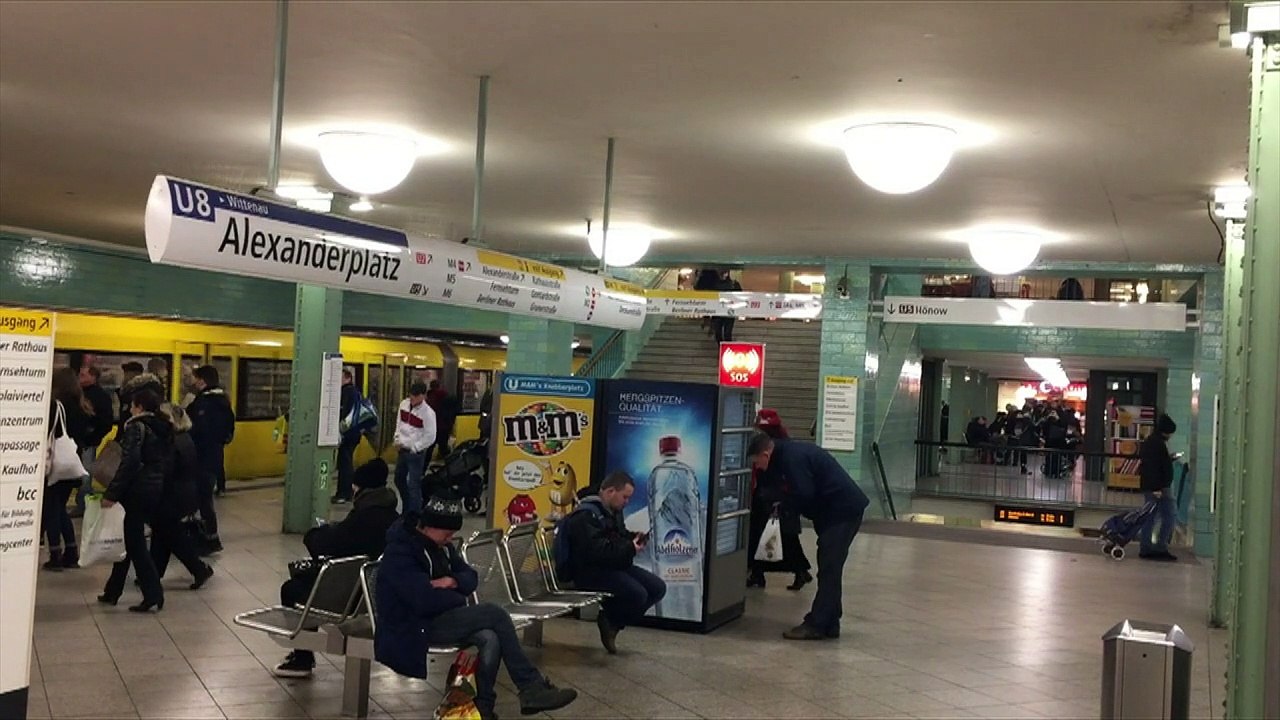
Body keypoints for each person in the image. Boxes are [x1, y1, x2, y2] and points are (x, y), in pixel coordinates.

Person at [375, 493, 579, 720]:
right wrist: (458, 596)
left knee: (490, 636)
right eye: (447, 533)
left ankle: (482, 707)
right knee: (494, 614)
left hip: (440, 617)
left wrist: (452, 582)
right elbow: (423, 600)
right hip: (412, 627)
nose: (450, 539)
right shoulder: (400, 553)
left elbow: (470, 577)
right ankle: (530, 686)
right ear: (428, 527)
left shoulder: (442, 547)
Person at [273, 458, 398, 678]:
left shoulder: (363, 518)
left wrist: (314, 534)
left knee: (293, 589)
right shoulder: (393, 516)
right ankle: (302, 655)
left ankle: (302, 658)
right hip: (376, 592)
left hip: (351, 596)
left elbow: (328, 543)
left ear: (361, 487)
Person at [747, 432, 869, 640]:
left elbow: (804, 492)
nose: (757, 467)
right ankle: (830, 621)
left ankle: (817, 623)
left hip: (842, 511)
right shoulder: (784, 454)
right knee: (830, 566)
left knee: (829, 566)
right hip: (832, 512)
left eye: (757, 463)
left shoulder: (790, 458)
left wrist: (782, 505)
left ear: (765, 454)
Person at [563, 471, 666, 655]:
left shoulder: (613, 510)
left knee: (658, 588)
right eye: (625, 497)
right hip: (588, 571)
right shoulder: (585, 515)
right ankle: (611, 618)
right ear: (611, 491)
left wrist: (633, 538)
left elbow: (617, 535)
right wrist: (630, 548)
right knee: (638, 594)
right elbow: (596, 552)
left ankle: (612, 621)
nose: (627, 502)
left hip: (613, 564)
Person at [98, 388, 170, 612]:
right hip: (153, 488)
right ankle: (113, 590)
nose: (129, 409)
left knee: (135, 544)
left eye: (132, 405)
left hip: (136, 490)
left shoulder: (135, 427)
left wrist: (111, 494)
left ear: (139, 406)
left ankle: (153, 594)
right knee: (128, 540)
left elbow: (129, 463)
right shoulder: (162, 427)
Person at [149, 404, 214, 589]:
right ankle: (153, 572)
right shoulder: (184, 437)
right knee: (162, 533)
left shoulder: (172, 441)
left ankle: (199, 568)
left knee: (172, 535)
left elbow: (167, 469)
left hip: (173, 495)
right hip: (184, 493)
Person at [747, 409, 812, 590]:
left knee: (775, 537)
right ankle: (759, 573)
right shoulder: (781, 443)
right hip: (771, 497)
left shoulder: (774, 448)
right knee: (773, 537)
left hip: (774, 499)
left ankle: (797, 571)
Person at [43, 368, 92, 570]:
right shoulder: (82, 406)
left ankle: (55, 554)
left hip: (56, 465)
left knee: (51, 510)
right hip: (72, 465)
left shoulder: (56, 406)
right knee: (60, 508)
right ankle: (71, 552)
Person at [188, 365, 234, 552]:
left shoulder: (205, 404)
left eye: (194, 377)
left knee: (202, 499)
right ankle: (208, 536)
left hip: (201, 458)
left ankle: (209, 539)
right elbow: (229, 433)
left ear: (202, 381)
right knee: (203, 498)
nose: (191, 381)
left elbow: (197, 430)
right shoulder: (223, 402)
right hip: (214, 456)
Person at [75, 364, 114, 517]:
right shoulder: (78, 393)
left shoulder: (99, 396)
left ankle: (83, 504)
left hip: (87, 442)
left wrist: (92, 436)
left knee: (85, 473)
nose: (80, 378)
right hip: (79, 440)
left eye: (83, 375)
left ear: (93, 377)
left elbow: (106, 421)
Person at [1139, 414, 1179, 562]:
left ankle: (1147, 547)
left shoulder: (1152, 442)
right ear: (1165, 431)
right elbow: (1153, 468)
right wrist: (1157, 488)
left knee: (1150, 516)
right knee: (1169, 516)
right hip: (1160, 487)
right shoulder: (1158, 444)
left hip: (1156, 486)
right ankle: (1159, 547)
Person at [393, 381, 436, 515]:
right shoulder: (404, 405)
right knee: (398, 479)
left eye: (415, 396)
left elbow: (430, 436)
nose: (412, 399)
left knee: (413, 485)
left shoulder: (428, 413)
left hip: (415, 454)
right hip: (402, 449)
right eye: (411, 395)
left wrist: (416, 447)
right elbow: (399, 423)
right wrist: (397, 439)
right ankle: (407, 506)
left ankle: (414, 514)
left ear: (423, 396)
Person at [334, 368, 361, 504]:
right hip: (353, 434)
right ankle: (346, 492)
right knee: (345, 462)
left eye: (340, 377)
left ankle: (344, 493)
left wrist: (340, 432)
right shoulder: (354, 392)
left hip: (348, 434)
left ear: (347, 378)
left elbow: (345, 414)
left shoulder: (348, 392)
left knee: (345, 464)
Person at [425, 380, 457, 462]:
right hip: (443, 427)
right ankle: (449, 466)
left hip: (432, 427)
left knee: (429, 449)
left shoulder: (429, 397)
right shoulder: (445, 396)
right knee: (443, 448)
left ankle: (423, 469)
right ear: (439, 386)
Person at [711, 269, 742, 343]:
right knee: (718, 333)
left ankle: (726, 349)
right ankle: (722, 348)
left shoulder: (734, 284)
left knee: (727, 334)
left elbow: (740, 296)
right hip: (718, 312)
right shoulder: (715, 284)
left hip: (729, 312)